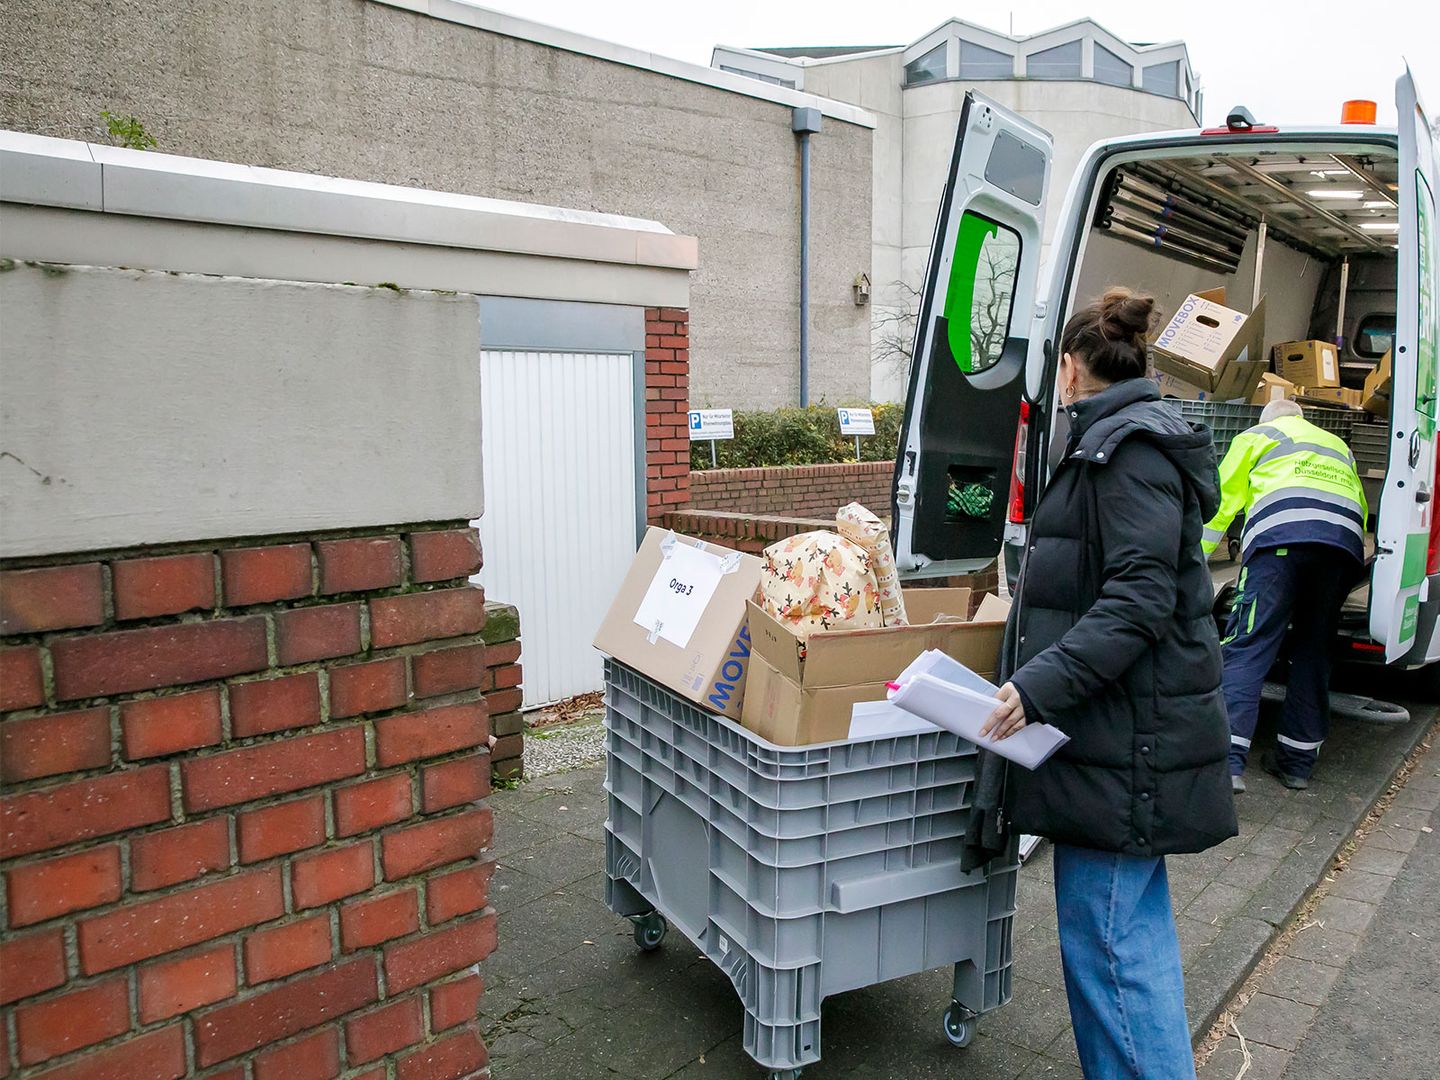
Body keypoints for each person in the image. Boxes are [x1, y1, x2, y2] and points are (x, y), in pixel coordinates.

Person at [980, 287, 1237, 1080]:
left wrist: (1039, 685)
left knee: (1111, 950)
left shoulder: (1126, 453)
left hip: (1129, 745)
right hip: (1125, 736)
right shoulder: (1123, 440)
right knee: (1124, 939)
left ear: (1068, 369)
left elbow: (1138, 599)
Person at [1199, 398, 1367, 792]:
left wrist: (1192, 562)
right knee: (1314, 649)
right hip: (1342, 550)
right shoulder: (1337, 445)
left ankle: (1226, 763)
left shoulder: (1258, 436)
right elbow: (1357, 502)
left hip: (1281, 544)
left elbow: (1219, 504)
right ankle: (1296, 764)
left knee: (1249, 643)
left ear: (1267, 419)